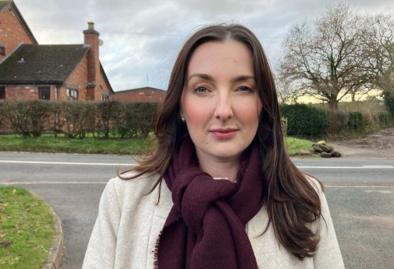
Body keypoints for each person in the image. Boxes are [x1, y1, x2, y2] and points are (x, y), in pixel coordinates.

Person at [82, 23, 344, 269]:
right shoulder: (124, 198)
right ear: (181, 104)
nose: (223, 110)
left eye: (243, 88)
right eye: (203, 89)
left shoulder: (305, 198)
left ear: (262, 103)